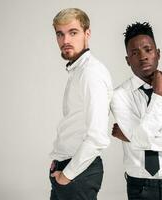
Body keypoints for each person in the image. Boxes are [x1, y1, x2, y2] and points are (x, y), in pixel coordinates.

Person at [110, 22, 162, 200]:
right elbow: (143, 138)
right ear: (127, 60)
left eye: (148, 49)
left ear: (158, 53)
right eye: (135, 53)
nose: (143, 57)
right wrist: (159, 94)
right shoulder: (119, 96)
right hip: (140, 186)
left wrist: (133, 138)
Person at [49, 8, 113, 200]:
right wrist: (59, 161)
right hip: (69, 168)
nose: (65, 40)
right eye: (60, 34)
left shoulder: (90, 73)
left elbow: (97, 137)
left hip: (78, 173)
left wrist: (66, 175)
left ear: (87, 34)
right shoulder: (78, 70)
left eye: (73, 32)